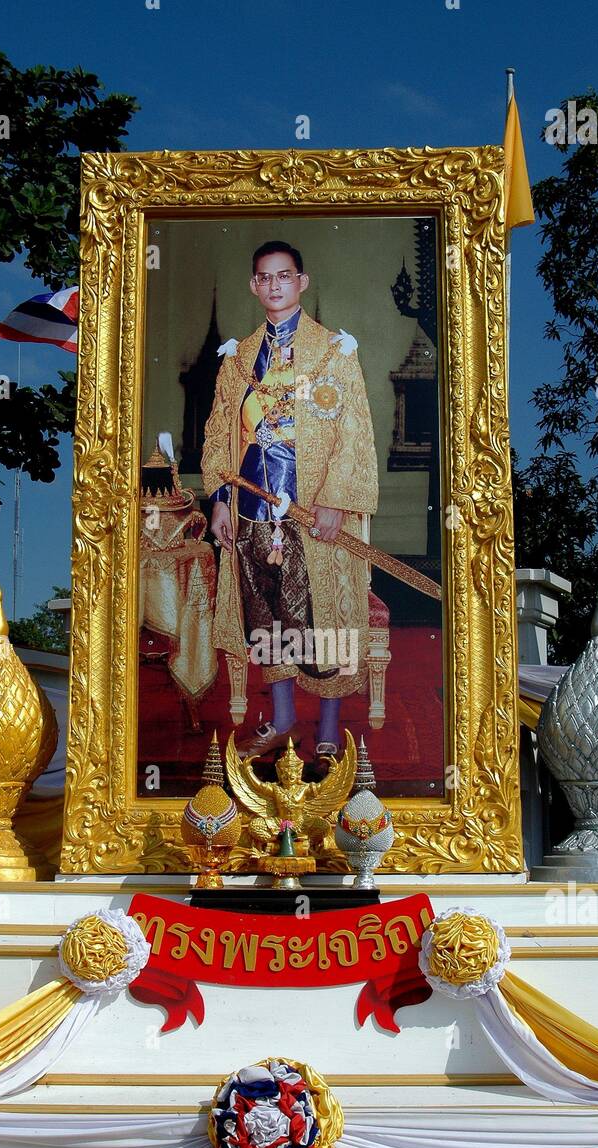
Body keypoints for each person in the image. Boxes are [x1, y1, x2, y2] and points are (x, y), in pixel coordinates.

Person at [200, 239, 378, 765]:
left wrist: (337, 502)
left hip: (312, 509)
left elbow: (354, 432)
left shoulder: (333, 353)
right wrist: (219, 501)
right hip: (252, 508)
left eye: (284, 276)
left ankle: (326, 727)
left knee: (322, 621)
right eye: (264, 277)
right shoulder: (236, 362)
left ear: (301, 281)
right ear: (255, 286)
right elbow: (216, 436)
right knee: (268, 619)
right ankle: (281, 721)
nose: (274, 285)